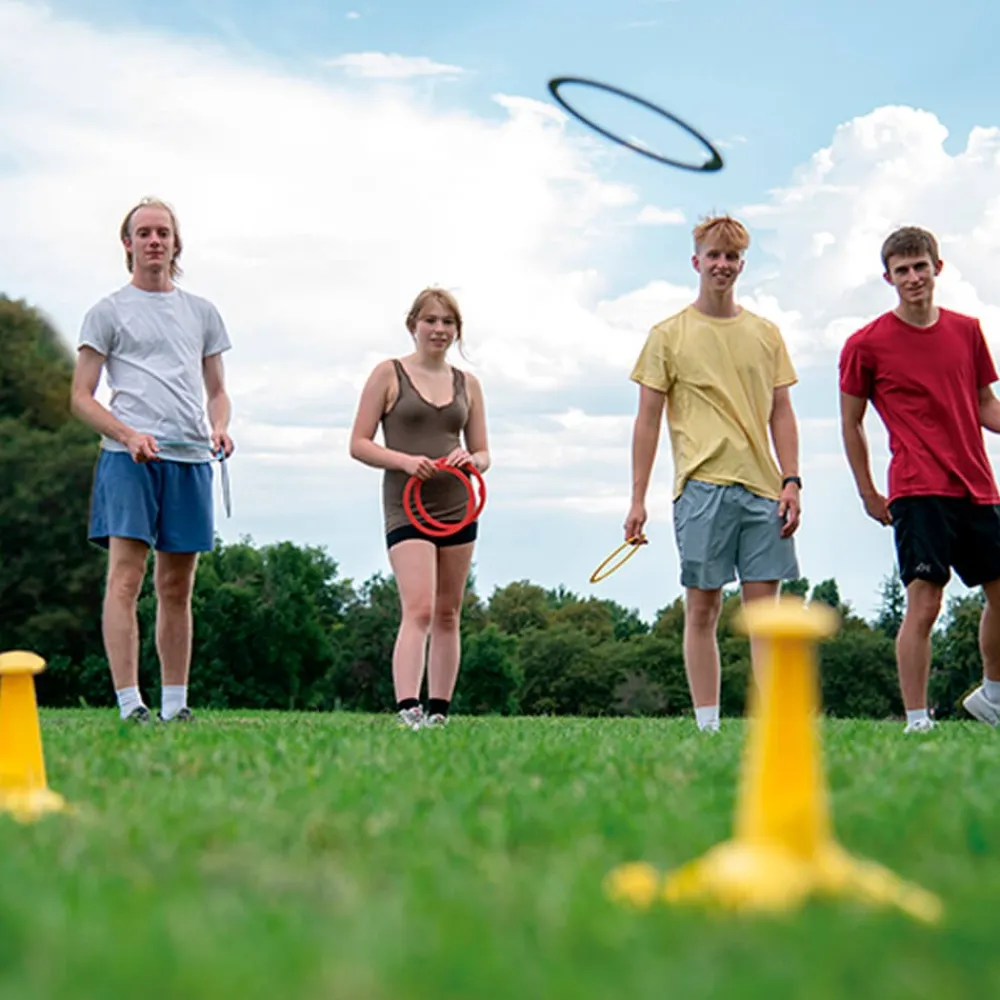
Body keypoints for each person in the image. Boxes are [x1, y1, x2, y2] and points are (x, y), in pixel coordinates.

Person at [626, 215, 803, 732]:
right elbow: (647, 421)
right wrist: (637, 501)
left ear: (741, 265)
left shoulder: (766, 334)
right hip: (700, 489)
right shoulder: (667, 335)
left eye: (731, 257)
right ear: (696, 261)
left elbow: (782, 413)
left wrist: (791, 480)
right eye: (713, 256)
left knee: (765, 618)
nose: (721, 265)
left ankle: (772, 726)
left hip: (763, 489)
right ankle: (708, 724)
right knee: (702, 611)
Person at [70, 197, 234, 725]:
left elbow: (217, 392)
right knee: (126, 579)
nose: (155, 241)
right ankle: (129, 704)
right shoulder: (107, 311)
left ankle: (175, 705)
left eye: (163, 232)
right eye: (144, 233)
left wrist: (221, 426)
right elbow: (81, 396)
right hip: (128, 458)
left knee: (177, 586)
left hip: (190, 459)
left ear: (176, 243)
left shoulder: (202, 312)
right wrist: (127, 433)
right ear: (128, 244)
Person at [839, 225, 1000, 733]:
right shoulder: (865, 344)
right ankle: (916, 718)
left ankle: (992, 694)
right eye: (902, 270)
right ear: (888, 277)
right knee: (925, 602)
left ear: (938, 268)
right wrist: (868, 490)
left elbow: (983, 405)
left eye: (920, 267)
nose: (913, 278)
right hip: (916, 487)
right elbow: (850, 421)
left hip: (976, 484)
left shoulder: (967, 330)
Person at [349, 288, 490, 730]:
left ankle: (439, 711)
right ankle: (407, 707)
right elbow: (359, 444)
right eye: (430, 320)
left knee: (449, 611)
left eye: (447, 323)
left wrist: (474, 461)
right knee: (420, 608)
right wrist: (406, 462)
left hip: (458, 504)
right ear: (413, 325)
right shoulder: (388, 374)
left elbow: (483, 451)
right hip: (406, 505)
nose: (439, 329)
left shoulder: (468, 383)